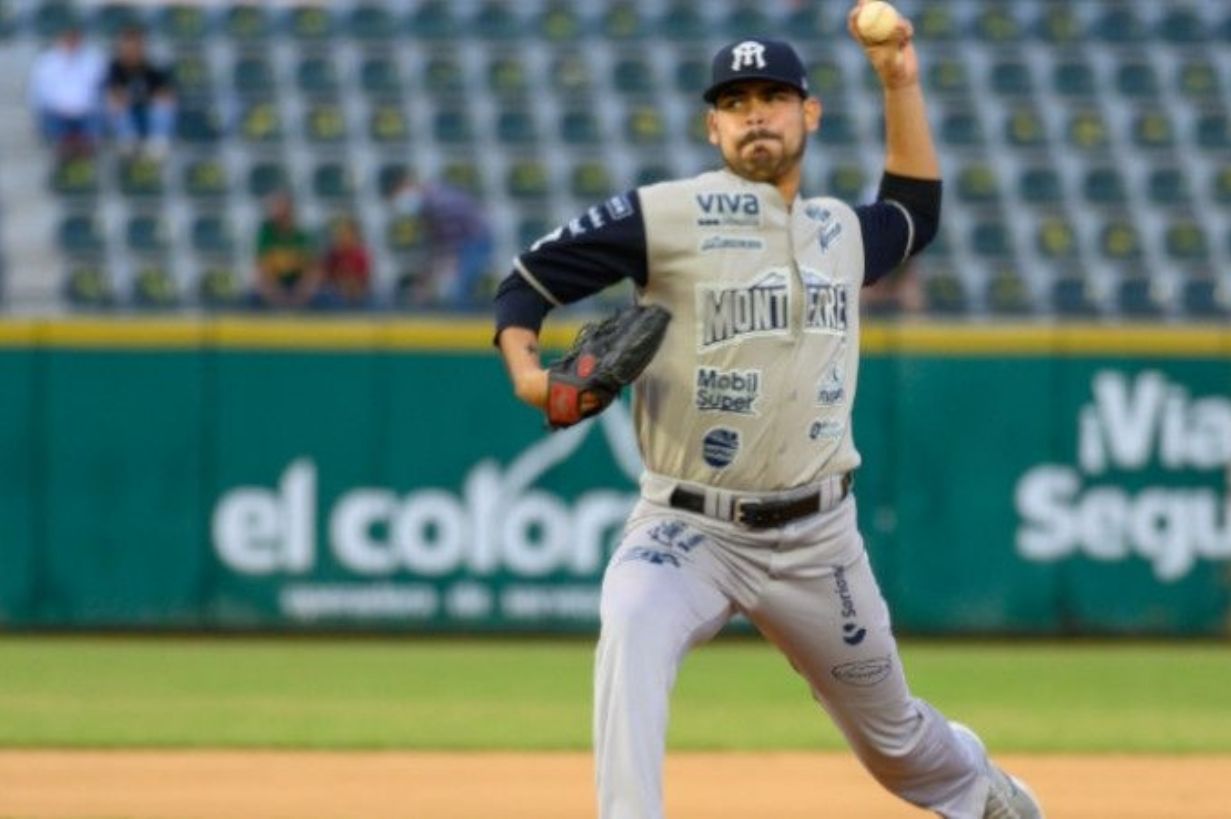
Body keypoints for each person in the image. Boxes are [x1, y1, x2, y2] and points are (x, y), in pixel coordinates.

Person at [492, 7, 1042, 819]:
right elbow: (526, 281)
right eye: (736, 101)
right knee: (632, 625)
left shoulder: (839, 231)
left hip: (818, 537)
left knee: (895, 743)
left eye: (774, 97)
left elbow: (915, 212)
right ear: (713, 126)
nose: (756, 114)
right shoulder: (665, 216)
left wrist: (900, 82)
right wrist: (530, 379)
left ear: (808, 113)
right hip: (688, 527)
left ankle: (978, 789)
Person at [388, 171, 493, 309]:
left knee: (459, 288)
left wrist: (440, 268)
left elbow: (451, 242)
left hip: (475, 241)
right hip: (464, 242)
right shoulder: (427, 205)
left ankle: (461, 317)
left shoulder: (439, 202)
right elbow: (435, 242)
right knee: (452, 285)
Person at [28, 25, 107, 156]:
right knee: (53, 124)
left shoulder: (94, 61)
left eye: (74, 37)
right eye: (67, 38)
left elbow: (100, 89)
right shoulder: (46, 62)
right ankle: (64, 157)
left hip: (86, 113)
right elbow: (40, 94)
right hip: (56, 113)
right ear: (59, 39)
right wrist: (61, 108)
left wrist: (83, 108)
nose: (71, 41)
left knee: (96, 123)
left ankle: (85, 156)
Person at [103, 26, 176, 159]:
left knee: (164, 104)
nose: (133, 51)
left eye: (137, 46)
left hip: (147, 112)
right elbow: (114, 92)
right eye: (129, 47)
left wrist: (155, 97)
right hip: (127, 114)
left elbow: (164, 92)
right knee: (114, 104)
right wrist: (126, 97)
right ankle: (128, 141)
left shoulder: (151, 68)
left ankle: (158, 142)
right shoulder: (115, 68)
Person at [251, 192, 323, 310]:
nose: (275, 211)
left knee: (324, 298)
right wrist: (277, 295)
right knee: (251, 298)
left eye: (280, 207)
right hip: (274, 287)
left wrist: (302, 293)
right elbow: (262, 269)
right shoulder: (266, 234)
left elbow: (313, 270)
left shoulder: (302, 236)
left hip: (298, 287)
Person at [319, 215, 374, 309]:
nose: (341, 238)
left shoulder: (359, 255)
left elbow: (361, 285)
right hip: (335, 295)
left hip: (356, 298)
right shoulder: (333, 254)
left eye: (345, 234)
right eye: (339, 234)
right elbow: (322, 277)